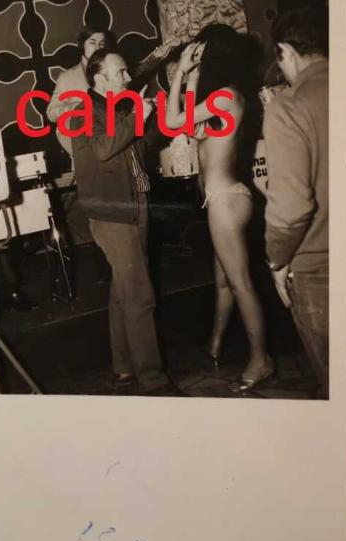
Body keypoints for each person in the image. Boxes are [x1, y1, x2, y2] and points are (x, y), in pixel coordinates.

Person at [166, 23, 273, 393]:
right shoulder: (226, 98)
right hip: (227, 198)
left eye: (202, 53)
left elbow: (172, 121)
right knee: (226, 280)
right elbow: (192, 131)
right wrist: (192, 77)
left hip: (225, 201)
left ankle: (261, 360)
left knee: (240, 284)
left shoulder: (227, 96)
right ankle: (214, 343)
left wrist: (180, 72)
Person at [70, 47, 182, 395]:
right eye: (120, 72)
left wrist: (155, 116)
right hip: (114, 214)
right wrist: (136, 117)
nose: (128, 77)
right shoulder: (84, 111)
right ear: (99, 77)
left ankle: (123, 367)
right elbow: (104, 149)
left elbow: (142, 147)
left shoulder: (117, 108)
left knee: (124, 291)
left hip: (135, 204)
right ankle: (153, 379)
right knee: (139, 294)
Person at [263, 5, 329, 398]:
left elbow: (291, 210)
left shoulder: (288, 106)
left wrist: (277, 261)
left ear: (286, 52)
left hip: (321, 269)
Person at [46, 25, 115, 157]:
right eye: (92, 42)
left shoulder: (114, 73)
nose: (97, 48)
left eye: (101, 44)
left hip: (112, 146)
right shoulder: (67, 77)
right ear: (82, 45)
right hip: (83, 152)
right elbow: (51, 113)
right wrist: (77, 106)